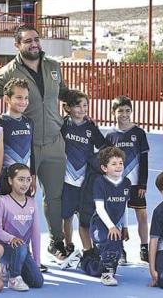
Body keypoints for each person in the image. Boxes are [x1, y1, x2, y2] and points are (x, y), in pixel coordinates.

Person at [0, 24, 69, 258]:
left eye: (36, 39)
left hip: (54, 141)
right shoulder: (7, 72)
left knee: (55, 196)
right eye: (28, 41)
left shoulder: (53, 66)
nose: (34, 44)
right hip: (25, 146)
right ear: (17, 45)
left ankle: (56, 241)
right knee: (21, 196)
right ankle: (13, 249)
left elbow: (62, 91)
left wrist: (78, 103)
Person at [59, 90, 105, 264]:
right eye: (77, 105)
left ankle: (89, 249)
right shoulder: (62, 124)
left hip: (85, 180)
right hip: (66, 178)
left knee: (85, 217)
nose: (82, 109)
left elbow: (103, 147)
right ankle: (68, 244)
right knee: (67, 215)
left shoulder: (91, 127)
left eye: (85, 105)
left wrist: (94, 163)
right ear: (68, 108)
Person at [105, 95, 150, 264]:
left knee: (142, 215)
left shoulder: (138, 133)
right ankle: (120, 249)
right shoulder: (110, 135)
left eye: (127, 111)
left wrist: (142, 183)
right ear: (113, 113)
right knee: (117, 216)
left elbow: (144, 160)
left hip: (135, 184)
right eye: (120, 111)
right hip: (117, 184)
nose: (124, 114)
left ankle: (144, 247)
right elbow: (107, 161)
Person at [79, 147, 130, 286]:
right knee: (112, 241)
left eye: (120, 163)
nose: (118, 166)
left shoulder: (126, 183)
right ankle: (106, 274)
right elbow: (100, 208)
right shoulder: (100, 182)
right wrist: (112, 227)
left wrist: (124, 226)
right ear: (104, 167)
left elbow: (124, 206)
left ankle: (88, 264)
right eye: (113, 164)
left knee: (116, 252)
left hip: (115, 226)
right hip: (99, 225)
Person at [0, 163, 44, 291]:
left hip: (23, 252)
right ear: (10, 180)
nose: (25, 184)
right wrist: (11, 239)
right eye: (20, 179)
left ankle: (14, 267)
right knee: (20, 245)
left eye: (28, 180)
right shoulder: (2, 201)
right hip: (5, 249)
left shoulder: (32, 203)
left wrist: (37, 262)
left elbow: (35, 234)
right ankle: (13, 277)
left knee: (37, 281)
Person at [0, 78, 36, 197]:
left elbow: (32, 151)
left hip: (25, 180)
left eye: (26, 98)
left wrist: (33, 175)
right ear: (7, 98)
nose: (23, 101)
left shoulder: (29, 122)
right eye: (19, 97)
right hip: (5, 180)